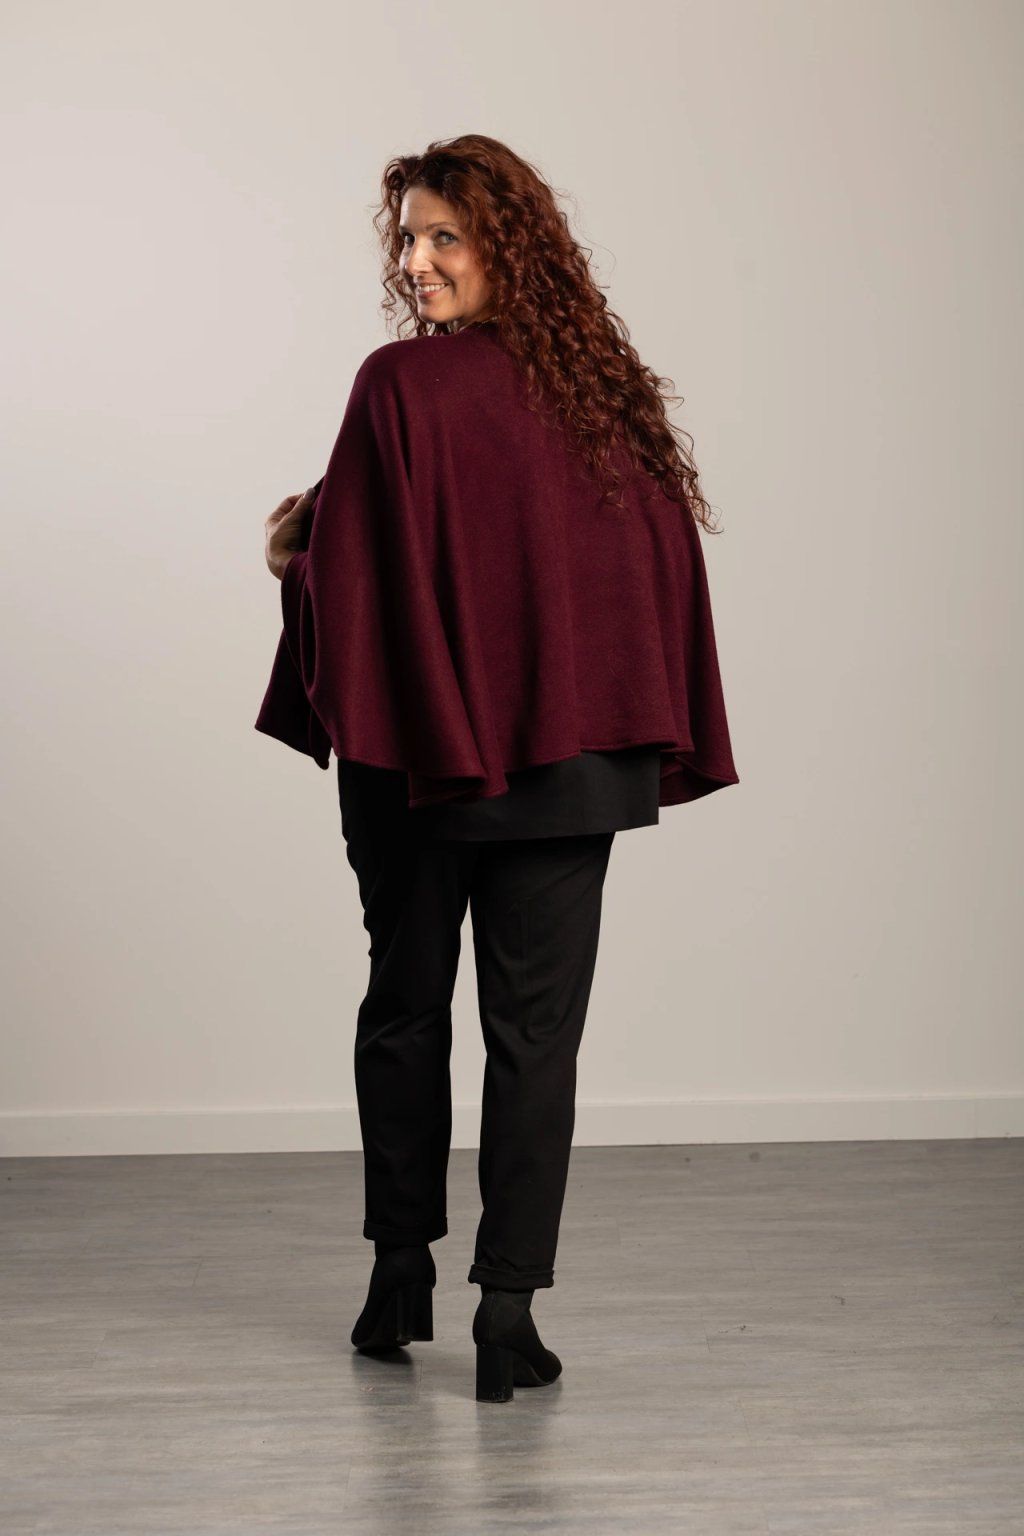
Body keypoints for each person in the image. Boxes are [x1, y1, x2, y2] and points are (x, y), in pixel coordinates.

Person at [255, 134, 739, 1403]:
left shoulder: (398, 386)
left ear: (504, 248)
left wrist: (290, 555)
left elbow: (355, 571)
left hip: (417, 759)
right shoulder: (602, 392)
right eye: (407, 239)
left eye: (442, 238)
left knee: (405, 1008)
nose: (415, 262)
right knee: (536, 1039)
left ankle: (398, 1273)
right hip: (571, 758)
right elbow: (644, 573)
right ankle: (507, 1314)